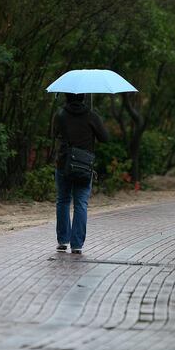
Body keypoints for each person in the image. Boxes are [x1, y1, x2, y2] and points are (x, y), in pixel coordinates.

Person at [53, 92, 109, 254]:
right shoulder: (91, 116)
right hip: (84, 166)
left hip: (63, 164)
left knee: (63, 201)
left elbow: (53, 134)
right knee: (81, 204)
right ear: (84, 98)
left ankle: (63, 241)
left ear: (67, 97)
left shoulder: (60, 115)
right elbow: (105, 138)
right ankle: (76, 245)